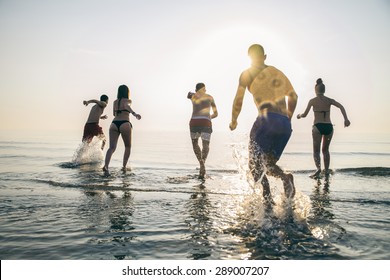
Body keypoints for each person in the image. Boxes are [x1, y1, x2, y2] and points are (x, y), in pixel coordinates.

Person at [229, 44, 298, 201]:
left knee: (254, 167)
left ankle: (267, 202)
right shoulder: (277, 72)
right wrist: (287, 119)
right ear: (265, 57)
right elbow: (294, 96)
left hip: (266, 121)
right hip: (285, 126)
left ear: (249, 58)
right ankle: (285, 178)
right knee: (268, 165)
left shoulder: (247, 74)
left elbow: (238, 99)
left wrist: (234, 120)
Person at [297, 78, 350, 178]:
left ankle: (318, 169)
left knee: (316, 151)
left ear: (315, 90)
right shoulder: (329, 100)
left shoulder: (312, 101)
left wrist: (299, 115)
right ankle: (326, 171)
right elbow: (341, 106)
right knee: (325, 150)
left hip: (318, 127)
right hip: (329, 127)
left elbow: (304, 114)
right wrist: (346, 119)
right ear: (324, 90)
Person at [103, 85, 141, 174]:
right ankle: (124, 167)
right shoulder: (128, 101)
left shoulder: (115, 102)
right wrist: (134, 114)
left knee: (111, 148)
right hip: (125, 123)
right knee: (127, 146)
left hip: (114, 124)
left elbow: (113, 114)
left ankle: (106, 166)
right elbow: (126, 105)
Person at [187, 83, 218, 179]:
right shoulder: (210, 97)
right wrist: (208, 117)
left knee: (195, 144)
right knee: (206, 145)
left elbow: (188, 94)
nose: (205, 90)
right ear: (203, 88)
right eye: (205, 89)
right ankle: (203, 163)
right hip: (206, 122)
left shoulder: (193, 95)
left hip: (194, 122)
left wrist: (194, 92)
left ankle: (201, 163)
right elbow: (216, 113)